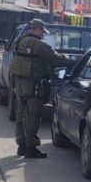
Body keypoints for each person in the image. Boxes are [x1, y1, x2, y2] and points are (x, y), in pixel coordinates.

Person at [11, 18, 70, 159]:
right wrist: (68, 58)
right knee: (32, 116)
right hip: (34, 86)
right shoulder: (39, 45)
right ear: (36, 29)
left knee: (21, 115)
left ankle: (21, 146)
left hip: (19, 85)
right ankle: (31, 148)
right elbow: (55, 59)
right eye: (42, 31)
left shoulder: (19, 42)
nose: (43, 34)